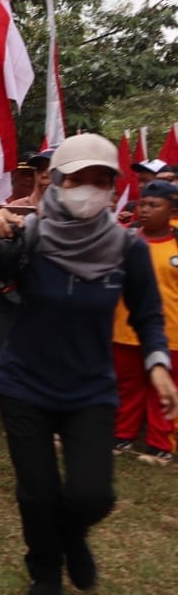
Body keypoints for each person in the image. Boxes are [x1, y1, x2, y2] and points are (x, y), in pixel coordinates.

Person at [0, 134, 177, 595]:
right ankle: (45, 571)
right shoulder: (29, 234)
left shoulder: (126, 248)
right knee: (36, 494)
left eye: (102, 181)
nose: (89, 189)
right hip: (25, 385)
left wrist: (157, 363)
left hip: (90, 389)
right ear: (56, 181)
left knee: (93, 495)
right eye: (79, 179)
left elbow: (148, 315)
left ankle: (72, 536)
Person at [111, 180, 178, 465]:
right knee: (127, 386)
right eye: (142, 204)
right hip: (124, 331)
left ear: (172, 210)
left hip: (170, 333)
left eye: (154, 205)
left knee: (162, 390)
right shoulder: (125, 240)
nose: (145, 210)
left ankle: (161, 444)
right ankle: (121, 435)